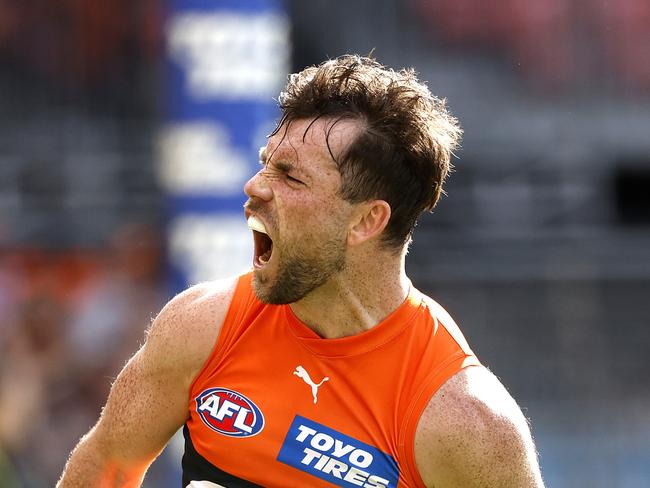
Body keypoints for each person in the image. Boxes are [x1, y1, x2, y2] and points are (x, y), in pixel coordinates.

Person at [58, 55, 544, 488]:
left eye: (290, 176)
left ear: (367, 220)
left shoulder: (465, 422)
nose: (254, 186)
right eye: (266, 164)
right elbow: (110, 466)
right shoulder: (203, 324)